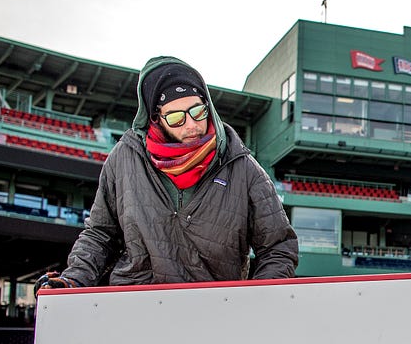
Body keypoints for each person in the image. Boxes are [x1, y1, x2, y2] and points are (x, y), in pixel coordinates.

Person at [35, 56, 298, 293]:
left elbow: (278, 247)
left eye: (197, 111)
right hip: (136, 307)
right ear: (155, 117)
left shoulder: (243, 166)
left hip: (215, 312)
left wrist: (258, 298)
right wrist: (74, 280)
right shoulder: (124, 159)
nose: (192, 125)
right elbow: (100, 234)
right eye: (176, 118)